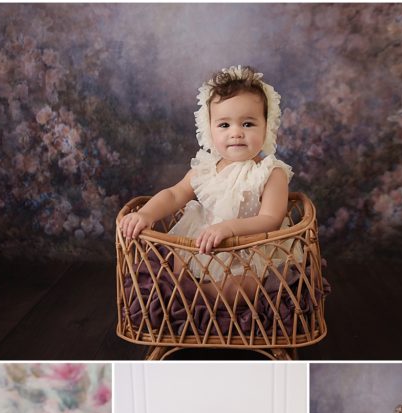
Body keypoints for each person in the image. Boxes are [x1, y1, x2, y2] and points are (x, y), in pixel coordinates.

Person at [118, 65, 291, 304]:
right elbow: (174, 194)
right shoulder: (206, 167)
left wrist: (229, 229)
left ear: (267, 126)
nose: (236, 133)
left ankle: (202, 297)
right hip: (203, 246)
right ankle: (187, 287)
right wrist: (147, 214)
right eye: (224, 125)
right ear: (209, 129)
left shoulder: (270, 172)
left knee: (245, 288)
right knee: (180, 260)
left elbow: (271, 218)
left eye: (248, 124)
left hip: (248, 251)